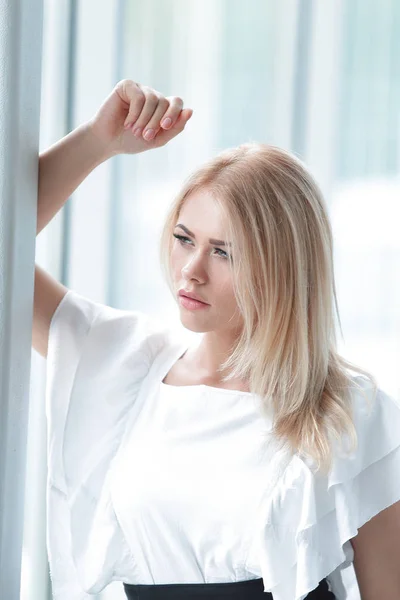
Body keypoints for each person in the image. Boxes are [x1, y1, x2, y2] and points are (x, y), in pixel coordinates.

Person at [33, 79, 400, 600]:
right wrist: (98, 142)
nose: (191, 271)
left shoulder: (351, 412)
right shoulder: (123, 365)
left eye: (225, 252)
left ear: (282, 267)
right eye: (184, 240)